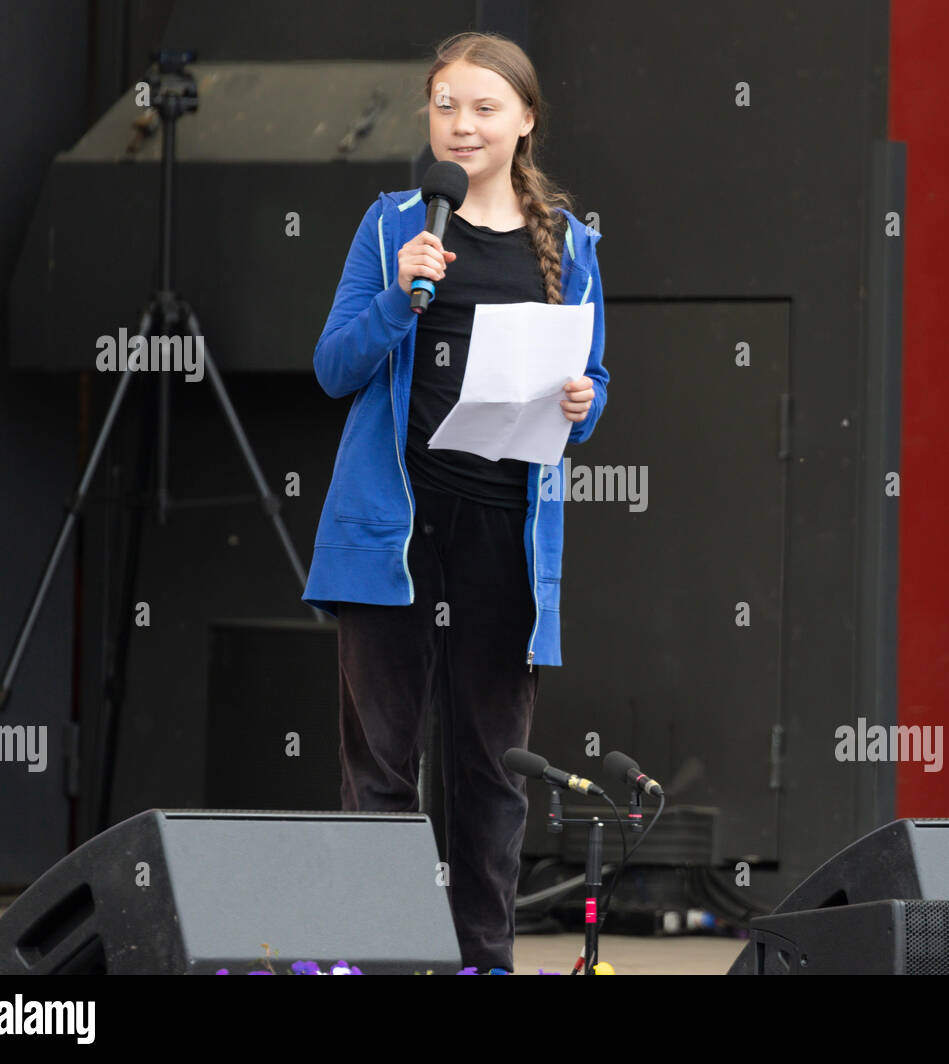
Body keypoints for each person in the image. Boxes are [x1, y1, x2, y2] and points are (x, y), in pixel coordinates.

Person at [301, 31, 609, 974]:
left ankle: (485, 960)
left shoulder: (575, 243)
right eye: (445, 105)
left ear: (524, 120)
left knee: (491, 771)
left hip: (502, 533)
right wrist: (399, 299)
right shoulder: (394, 226)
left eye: (483, 106)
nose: (461, 123)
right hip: (393, 529)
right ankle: (379, 956)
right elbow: (333, 368)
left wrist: (584, 403)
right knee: (381, 763)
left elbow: (591, 384)